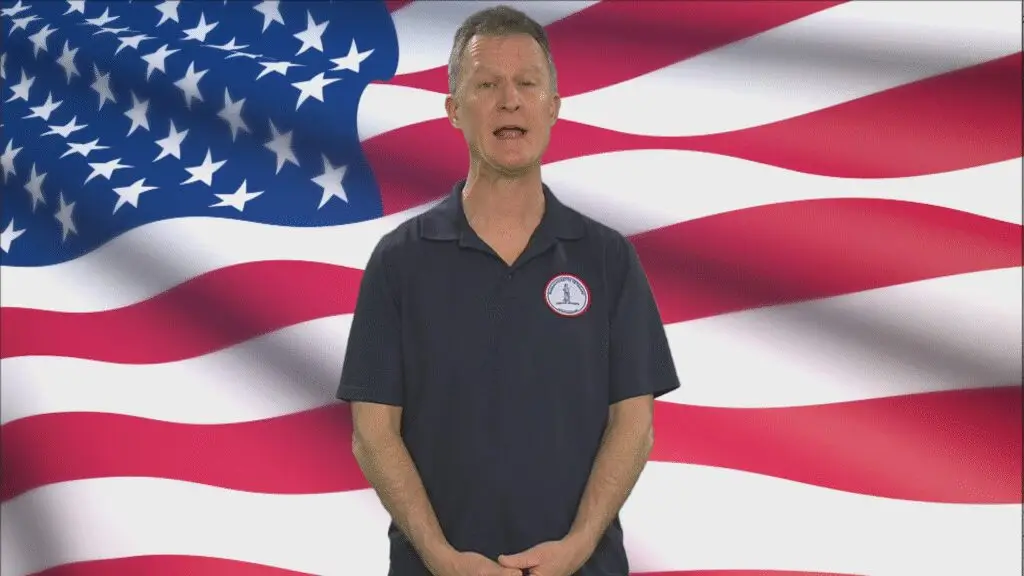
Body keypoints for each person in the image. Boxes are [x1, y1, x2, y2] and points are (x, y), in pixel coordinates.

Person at [336, 5, 681, 575]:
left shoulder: (606, 258)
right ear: (454, 109)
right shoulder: (400, 261)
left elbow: (634, 425)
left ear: (553, 106)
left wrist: (578, 547)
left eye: (527, 83)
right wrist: (441, 558)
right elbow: (373, 434)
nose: (510, 101)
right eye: (487, 84)